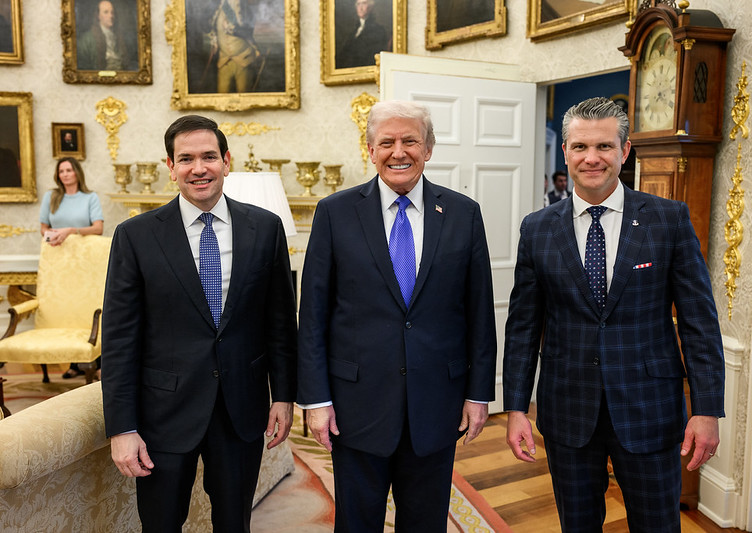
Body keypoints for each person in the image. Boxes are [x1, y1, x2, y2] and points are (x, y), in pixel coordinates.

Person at [503, 97, 725, 532]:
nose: (592, 158)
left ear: (624, 151)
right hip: (568, 409)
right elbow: (523, 327)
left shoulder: (668, 220)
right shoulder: (537, 228)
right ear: (565, 151)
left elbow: (700, 322)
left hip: (650, 408)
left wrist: (707, 409)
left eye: (604, 146)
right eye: (580, 147)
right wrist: (515, 407)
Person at [298, 100, 497, 532]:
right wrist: (316, 401)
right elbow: (312, 316)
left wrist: (479, 393)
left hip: (437, 405)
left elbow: (480, 313)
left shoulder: (463, 213)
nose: (398, 152)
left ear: (428, 148)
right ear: (370, 150)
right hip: (355, 407)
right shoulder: (334, 212)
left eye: (410, 140)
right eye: (386, 142)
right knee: (357, 524)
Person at [101, 115, 297, 531]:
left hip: (241, 410)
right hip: (163, 415)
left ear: (226, 161)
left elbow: (279, 323)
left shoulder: (265, 228)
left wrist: (283, 396)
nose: (199, 168)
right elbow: (118, 341)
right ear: (170, 167)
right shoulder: (135, 236)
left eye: (209, 156)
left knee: (234, 523)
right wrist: (122, 428)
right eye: (186, 159)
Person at [39, 157, 105, 379]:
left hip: (86, 260)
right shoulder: (51, 197)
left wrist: (70, 231)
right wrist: (52, 236)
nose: (65, 174)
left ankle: (96, 361)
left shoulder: (89, 197)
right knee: (66, 306)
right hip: (59, 259)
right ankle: (74, 364)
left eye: (69, 170)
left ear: (77, 172)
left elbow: (98, 228)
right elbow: (43, 227)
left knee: (85, 306)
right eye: (61, 171)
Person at [207, 0, 263, 93]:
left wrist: (230, 27)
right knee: (223, 94)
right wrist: (215, 42)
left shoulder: (243, 7)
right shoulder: (219, 8)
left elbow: (246, 29)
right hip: (224, 61)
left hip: (243, 59)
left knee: (244, 93)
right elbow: (213, 29)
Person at [77, 0, 136, 71]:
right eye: (106, 12)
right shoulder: (87, 39)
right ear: (98, 16)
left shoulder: (119, 37)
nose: (111, 16)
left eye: (112, 12)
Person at [336, 0, 387, 69]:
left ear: (371, 6)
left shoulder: (378, 30)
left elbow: (373, 57)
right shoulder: (354, 31)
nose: (360, 8)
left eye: (364, 3)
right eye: (358, 4)